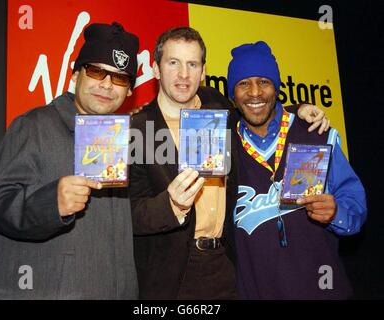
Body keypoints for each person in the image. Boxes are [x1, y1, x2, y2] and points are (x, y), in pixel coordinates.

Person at [129, 27, 330, 300]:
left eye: (192, 64)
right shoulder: (137, 130)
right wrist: (171, 205)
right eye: (173, 63)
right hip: (173, 275)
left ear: (203, 71)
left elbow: (256, 109)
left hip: (226, 265)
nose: (183, 75)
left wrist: (299, 109)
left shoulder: (217, 105)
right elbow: (130, 214)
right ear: (156, 69)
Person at [0, 22, 139, 299]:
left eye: (120, 78)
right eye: (96, 71)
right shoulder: (33, 126)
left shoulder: (123, 139)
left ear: (128, 91)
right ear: (76, 75)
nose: (107, 85)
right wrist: (50, 203)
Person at [227, 41, 367, 299]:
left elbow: (355, 206)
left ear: (276, 88)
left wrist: (336, 212)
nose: (255, 92)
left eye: (264, 82)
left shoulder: (316, 133)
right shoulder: (223, 149)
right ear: (232, 95)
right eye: (243, 83)